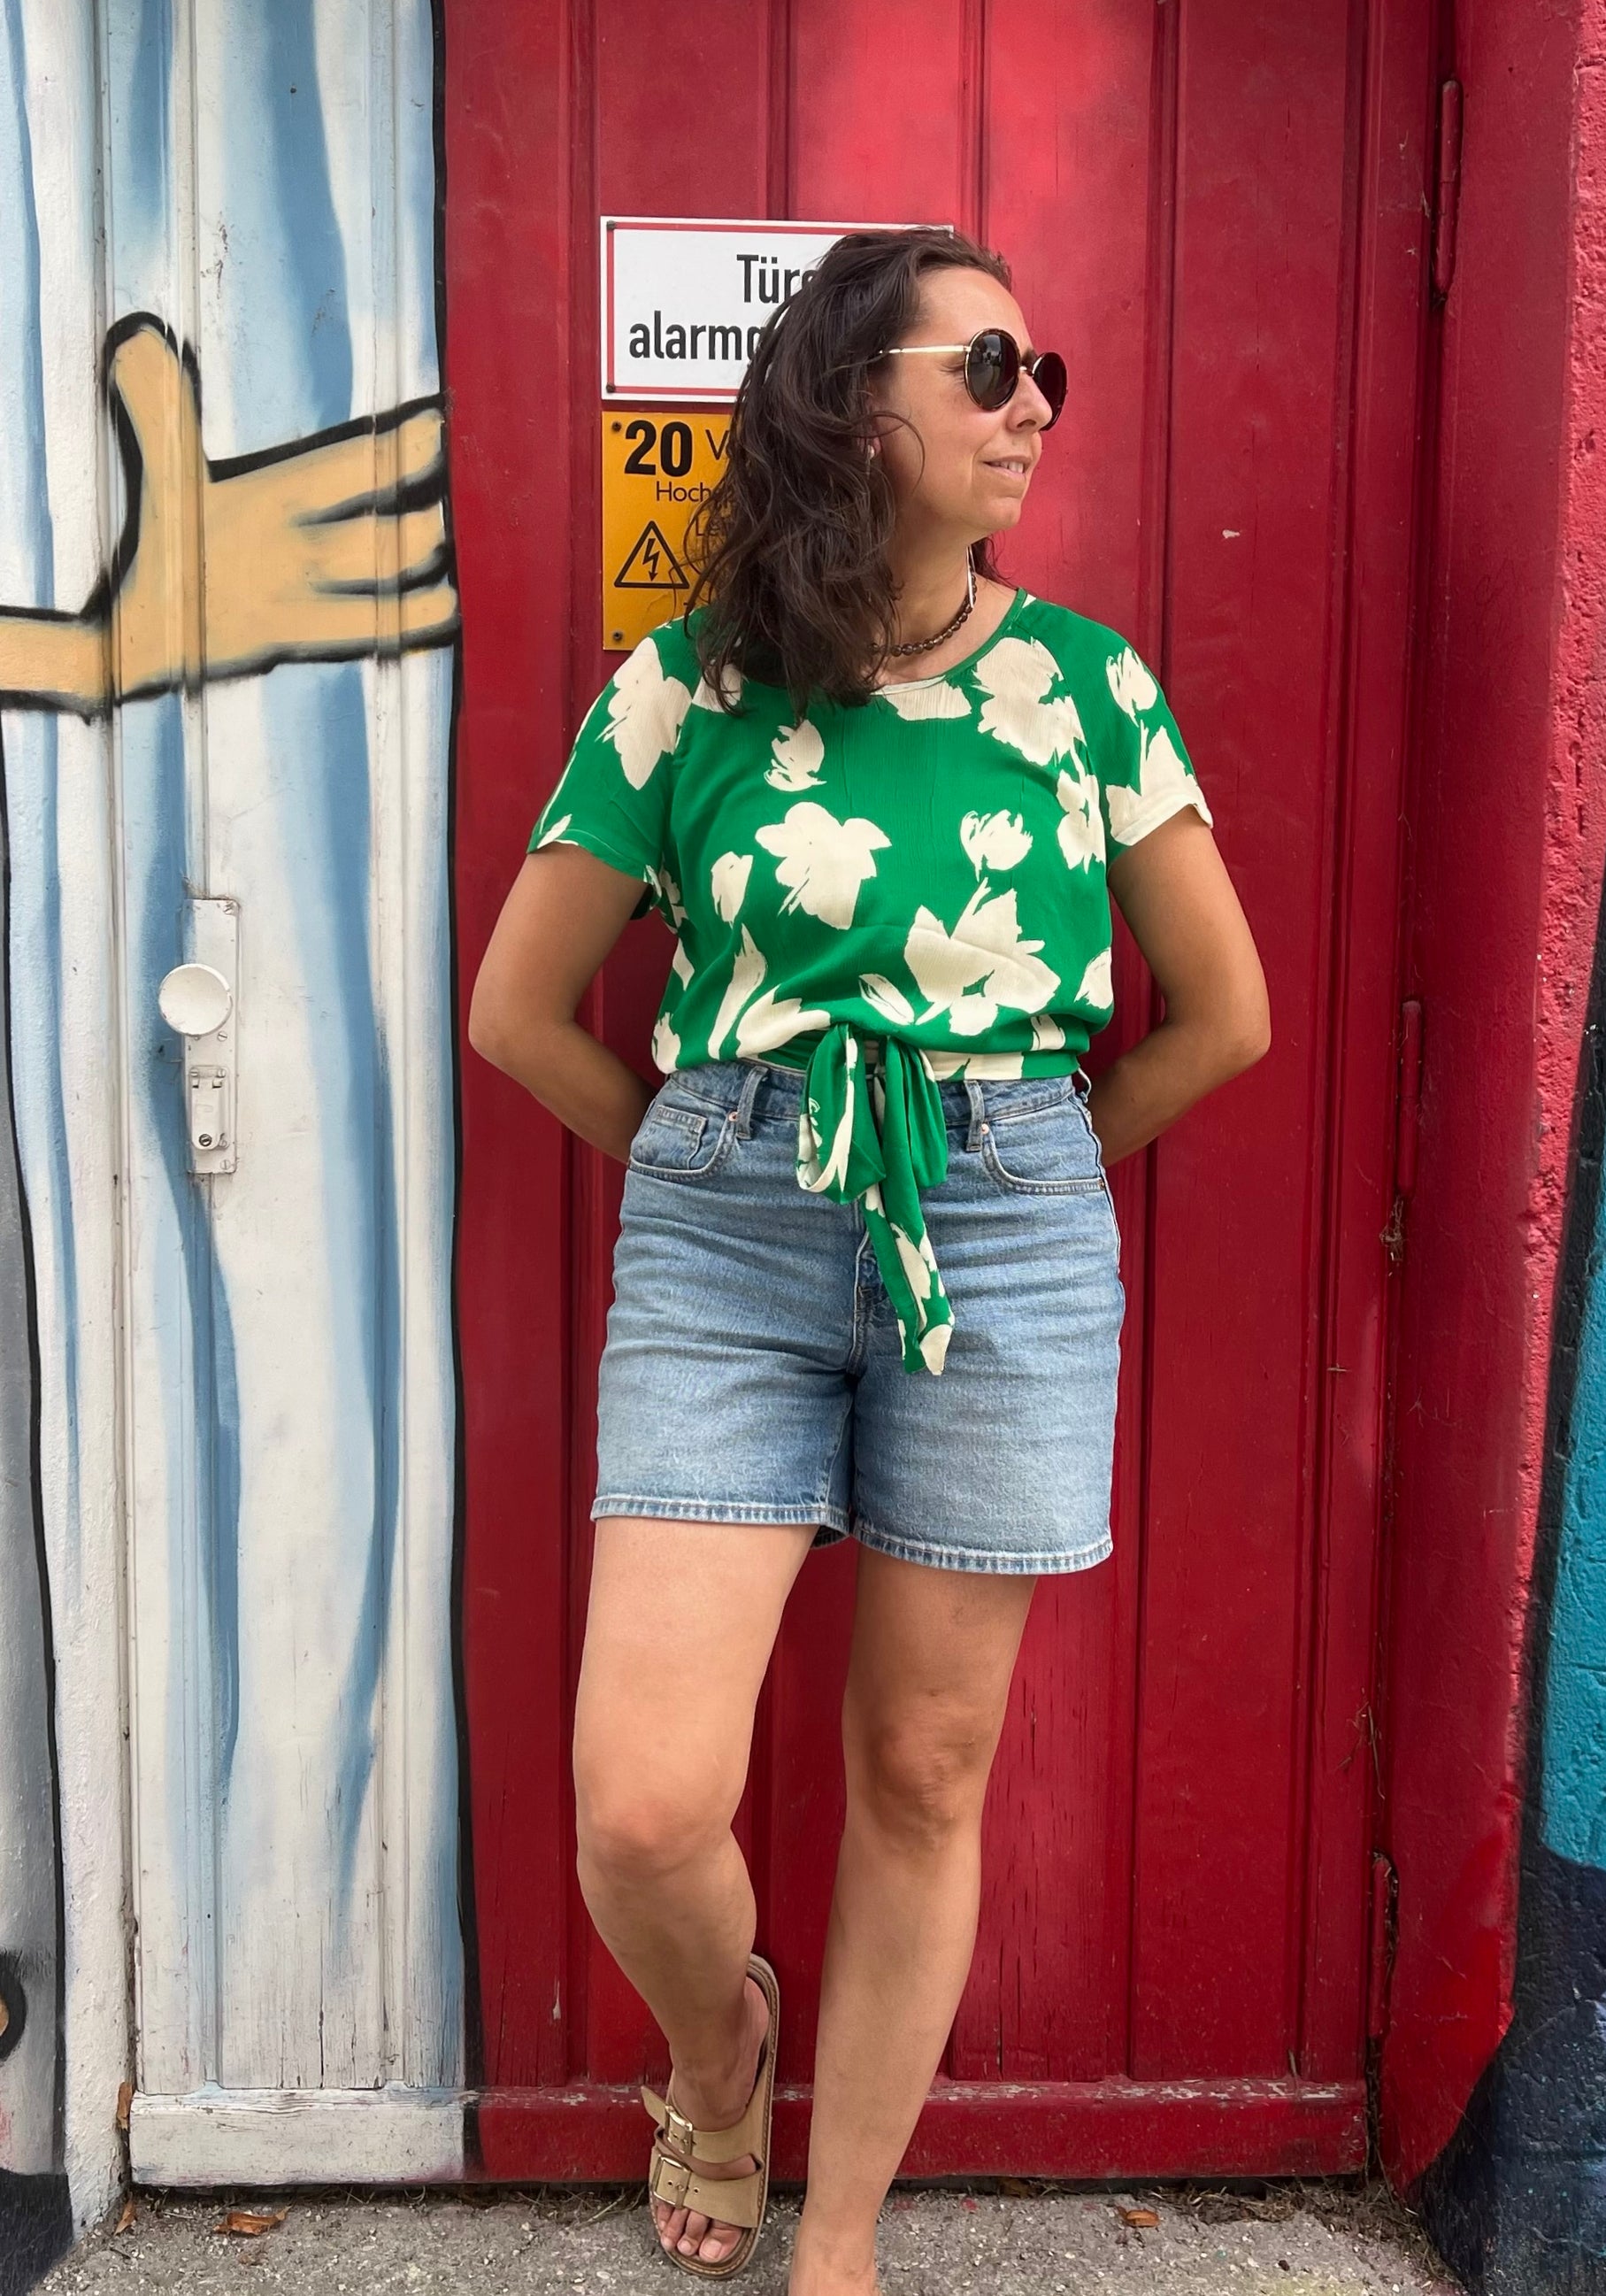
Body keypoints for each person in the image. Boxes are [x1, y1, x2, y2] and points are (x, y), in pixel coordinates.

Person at [469, 226, 1269, 2293]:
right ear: (850, 403)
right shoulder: (689, 684)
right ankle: (718, 2055)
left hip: (1000, 1218)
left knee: (921, 1766)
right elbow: (520, 1012)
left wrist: (1028, 1165)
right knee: (644, 1805)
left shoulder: (1082, 684)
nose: (1032, 406)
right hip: (730, 1225)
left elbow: (1222, 1015)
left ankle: (838, 2240)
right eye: (987, 367)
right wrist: (715, 1157)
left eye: (1045, 371)